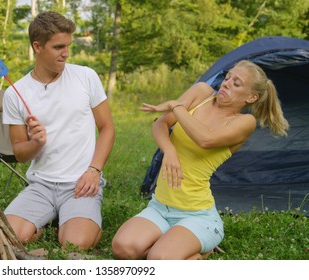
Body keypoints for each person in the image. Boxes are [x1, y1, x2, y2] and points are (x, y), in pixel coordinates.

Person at [112, 60, 289, 260]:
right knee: (123, 249)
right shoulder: (202, 93)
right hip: (160, 207)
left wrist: (174, 105)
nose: (226, 83)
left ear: (251, 97)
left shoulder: (244, 122)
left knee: (159, 259)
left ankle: (199, 254)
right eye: (228, 77)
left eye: (236, 83)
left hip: (197, 215)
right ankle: (176, 246)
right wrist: (169, 150)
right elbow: (160, 124)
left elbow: (205, 139)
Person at [2, 11, 115, 250]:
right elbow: (20, 154)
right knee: (8, 237)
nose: (66, 53)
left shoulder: (86, 77)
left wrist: (94, 170)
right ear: (37, 46)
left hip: (81, 184)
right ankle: (47, 222)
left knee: (75, 244)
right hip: (41, 185)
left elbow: (106, 128)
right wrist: (36, 143)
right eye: (58, 47)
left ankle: (72, 221)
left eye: (68, 46)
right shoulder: (15, 93)